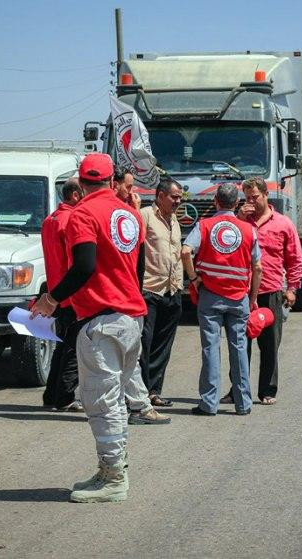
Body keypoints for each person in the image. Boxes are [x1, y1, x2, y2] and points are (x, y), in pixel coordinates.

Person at [29, 153, 164, 503]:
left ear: (81, 180)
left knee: (103, 403)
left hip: (102, 319)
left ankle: (114, 477)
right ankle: (111, 469)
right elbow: (137, 269)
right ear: (111, 180)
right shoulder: (129, 214)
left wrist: (52, 299)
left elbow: (84, 266)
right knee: (113, 400)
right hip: (130, 316)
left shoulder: (83, 214)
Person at [181, 183, 263, 416]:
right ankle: (243, 403)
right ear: (236, 203)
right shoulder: (248, 230)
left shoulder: (204, 225)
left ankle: (209, 403)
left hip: (210, 296)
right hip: (239, 298)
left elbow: (185, 251)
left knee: (211, 348)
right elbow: (258, 267)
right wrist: (253, 297)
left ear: (215, 201)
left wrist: (193, 278)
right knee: (239, 348)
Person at [220, 177, 302, 406]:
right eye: (247, 198)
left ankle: (267, 390)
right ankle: (237, 390)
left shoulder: (283, 224)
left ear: (266, 195)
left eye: (255, 197)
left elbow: (295, 259)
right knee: (239, 345)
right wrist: (238, 220)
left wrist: (292, 288)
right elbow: (225, 246)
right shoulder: (240, 222)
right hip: (241, 292)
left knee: (269, 345)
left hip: (271, 290)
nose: (251, 202)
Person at [111, 167, 171, 425]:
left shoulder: (126, 212)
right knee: (127, 356)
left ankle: (136, 405)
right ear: (113, 184)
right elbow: (137, 248)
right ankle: (134, 407)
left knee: (128, 356)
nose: (132, 192)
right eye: (128, 186)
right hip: (121, 297)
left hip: (130, 295)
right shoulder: (123, 214)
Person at [138, 177, 184, 407]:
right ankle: (140, 393)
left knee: (162, 346)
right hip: (149, 290)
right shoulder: (145, 216)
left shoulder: (174, 220)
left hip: (172, 290)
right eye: (174, 197)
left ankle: (154, 392)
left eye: (180, 198)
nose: (178, 201)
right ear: (160, 196)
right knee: (144, 344)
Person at [41, 177, 84, 412]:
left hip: (56, 292)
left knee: (63, 345)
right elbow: (75, 260)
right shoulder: (71, 220)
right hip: (70, 293)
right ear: (75, 195)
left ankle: (52, 394)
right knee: (73, 347)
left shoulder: (51, 219)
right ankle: (65, 395)